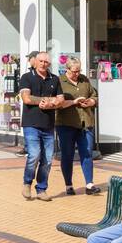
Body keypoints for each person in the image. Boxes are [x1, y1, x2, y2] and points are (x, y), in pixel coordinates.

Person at [18, 51, 63, 202]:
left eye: (46, 62)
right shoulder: (26, 77)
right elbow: (26, 98)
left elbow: (61, 99)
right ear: (35, 62)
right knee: (34, 154)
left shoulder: (54, 79)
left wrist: (51, 103)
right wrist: (44, 101)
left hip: (48, 125)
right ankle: (27, 183)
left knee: (48, 159)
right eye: (41, 61)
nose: (44, 64)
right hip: (31, 123)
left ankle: (42, 189)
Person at [56, 57, 100, 196]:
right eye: (74, 71)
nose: (77, 74)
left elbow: (95, 95)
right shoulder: (59, 82)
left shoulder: (84, 80)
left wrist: (91, 101)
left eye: (79, 70)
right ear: (67, 69)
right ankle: (69, 185)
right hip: (66, 124)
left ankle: (89, 184)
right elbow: (56, 102)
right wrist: (74, 102)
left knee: (87, 153)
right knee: (67, 155)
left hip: (85, 122)